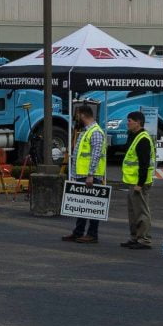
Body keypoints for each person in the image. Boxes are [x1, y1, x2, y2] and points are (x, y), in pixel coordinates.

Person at [62, 104, 106, 244]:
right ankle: (78, 232)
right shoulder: (85, 132)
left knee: (92, 206)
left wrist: (90, 174)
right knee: (82, 206)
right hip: (82, 175)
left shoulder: (95, 132)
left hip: (91, 177)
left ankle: (92, 234)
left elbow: (96, 155)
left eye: (76, 116)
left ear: (82, 115)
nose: (75, 120)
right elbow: (79, 155)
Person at [120, 111, 154, 249]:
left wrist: (140, 183)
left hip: (139, 182)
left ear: (138, 122)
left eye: (130, 121)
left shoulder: (143, 139)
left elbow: (144, 164)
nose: (127, 123)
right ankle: (134, 237)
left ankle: (144, 239)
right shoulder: (133, 136)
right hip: (131, 181)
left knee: (141, 212)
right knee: (133, 211)